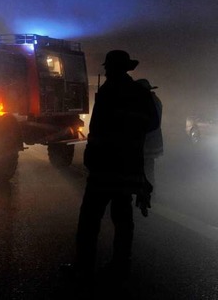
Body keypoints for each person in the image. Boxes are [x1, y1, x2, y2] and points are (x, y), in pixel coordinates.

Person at [66, 50, 159, 282]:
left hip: (104, 166)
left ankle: (83, 267)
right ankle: (120, 265)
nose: (106, 71)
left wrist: (92, 156)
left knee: (89, 219)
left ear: (113, 68)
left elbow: (98, 130)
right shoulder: (141, 93)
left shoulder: (108, 92)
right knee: (123, 217)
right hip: (128, 165)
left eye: (108, 68)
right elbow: (152, 124)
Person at [136, 79, 164, 191]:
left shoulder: (146, 101)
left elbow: (146, 123)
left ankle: (148, 194)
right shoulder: (155, 100)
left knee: (145, 169)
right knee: (148, 169)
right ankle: (150, 192)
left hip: (146, 143)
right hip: (152, 142)